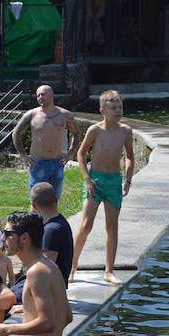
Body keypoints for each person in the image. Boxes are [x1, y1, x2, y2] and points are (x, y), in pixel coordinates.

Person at [71, 90, 134, 285]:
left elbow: (130, 157)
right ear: (102, 111)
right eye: (113, 108)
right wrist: (87, 178)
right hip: (95, 180)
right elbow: (81, 155)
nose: (118, 111)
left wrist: (128, 179)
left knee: (112, 226)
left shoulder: (125, 131)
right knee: (86, 224)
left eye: (120, 107)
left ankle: (109, 270)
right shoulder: (95, 130)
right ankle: (72, 267)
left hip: (114, 181)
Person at [12, 84, 82, 199]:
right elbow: (16, 133)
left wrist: (71, 154)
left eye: (43, 94)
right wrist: (23, 156)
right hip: (38, 163)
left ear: (52, 95)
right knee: (36, 199)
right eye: (38, 95)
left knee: (54, 198)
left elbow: (77, 133)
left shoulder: (64, 115)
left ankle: (50, 218)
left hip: (57, 163)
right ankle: (35, 217)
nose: (40, 97)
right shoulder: (31, 114)